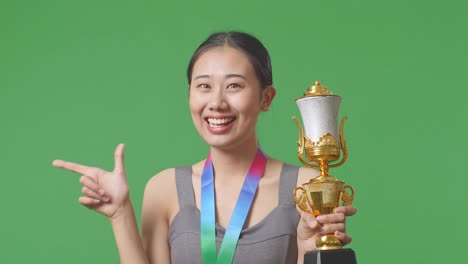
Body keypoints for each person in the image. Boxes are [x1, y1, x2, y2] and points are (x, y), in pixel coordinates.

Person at [52, 31, 357, 264]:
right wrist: (120, 214)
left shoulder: (308, 188)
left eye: (234, 85)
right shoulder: (165, 188)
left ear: (266, 98)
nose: (216, 102)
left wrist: (308, 248)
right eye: (204, 86)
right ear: (190, 95)